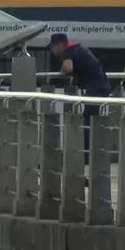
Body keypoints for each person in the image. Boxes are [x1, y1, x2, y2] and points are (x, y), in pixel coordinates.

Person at [49, 33, 110, 165]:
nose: (52, 50)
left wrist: (64, 71)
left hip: (95, 88)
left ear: (60, 44)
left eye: (53, 47)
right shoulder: (78, 48)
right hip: (101, 85)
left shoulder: (68, 52)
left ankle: (85, 157)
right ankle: (88, 154)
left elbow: (68, 68)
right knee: (90, 119)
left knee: (87, 122)